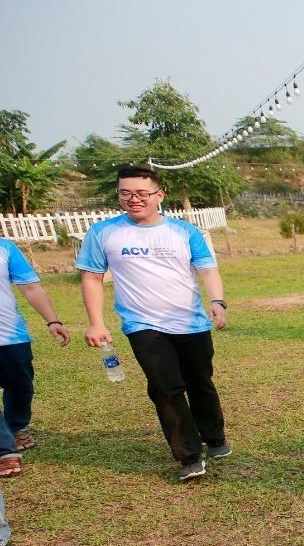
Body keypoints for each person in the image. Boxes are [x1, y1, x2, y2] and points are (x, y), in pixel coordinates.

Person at [77, 164, 229, 482]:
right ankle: (189, 457)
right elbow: (91, 278)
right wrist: (96, 322)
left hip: (191, 323)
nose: (134, 199)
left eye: (142, 193)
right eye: (126, 193)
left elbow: (208, 270)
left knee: (200, 383)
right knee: (165, 388)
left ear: (158, 195)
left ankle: (213, 436)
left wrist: (217, 301)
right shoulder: (103, 233)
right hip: (142, 324)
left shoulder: (184, 232)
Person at [0, 238, 71, 477]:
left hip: (10, 336)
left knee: (21, 387)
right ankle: (4, 451)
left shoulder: (5, 248)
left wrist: (52, 320)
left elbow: (30, 287)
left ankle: (16, 426)